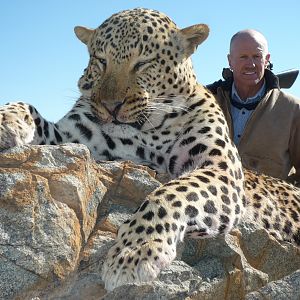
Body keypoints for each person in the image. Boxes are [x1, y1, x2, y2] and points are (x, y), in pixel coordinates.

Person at [207, 29, 300, 185]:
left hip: (266, 207)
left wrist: (277, 197)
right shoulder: (207, 103)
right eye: (243, 57)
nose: (251, 64)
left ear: (267, 59)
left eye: (257, 56)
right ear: (230, 61)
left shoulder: (293, 110)